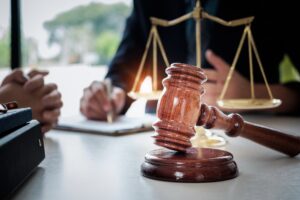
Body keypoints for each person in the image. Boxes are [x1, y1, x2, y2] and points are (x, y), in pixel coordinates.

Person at [80, 0, 300, 120]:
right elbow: (124, 69)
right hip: (162, 131)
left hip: (249, 130)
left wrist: (254, 94)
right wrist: (111, 95)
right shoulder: (149, 4)